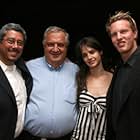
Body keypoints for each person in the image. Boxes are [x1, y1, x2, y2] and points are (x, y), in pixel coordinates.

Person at [24, 26, 79, 140]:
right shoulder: (28, 68)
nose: (55, 49)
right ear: (44, 46)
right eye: (50, 44)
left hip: (67, 137)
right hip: (31, 137)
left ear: (66, 47)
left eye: (60, 45)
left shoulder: (76, 71)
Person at [105, 10, 140, 140]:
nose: (119, 37)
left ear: (135, 33)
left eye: (124, 31)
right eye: (114, 34)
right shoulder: (119, 68)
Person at [71, 36, 113, 140]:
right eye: (84, 55)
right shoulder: (80, 77)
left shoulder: (114, 78)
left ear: (100, 52)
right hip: (78, 137)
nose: (89, 57)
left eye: (92, 52)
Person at [0, 23, 33, 140]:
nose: (15, 46)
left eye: (20, 43)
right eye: (11, 41)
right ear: (0, 42)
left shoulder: (22, 71)